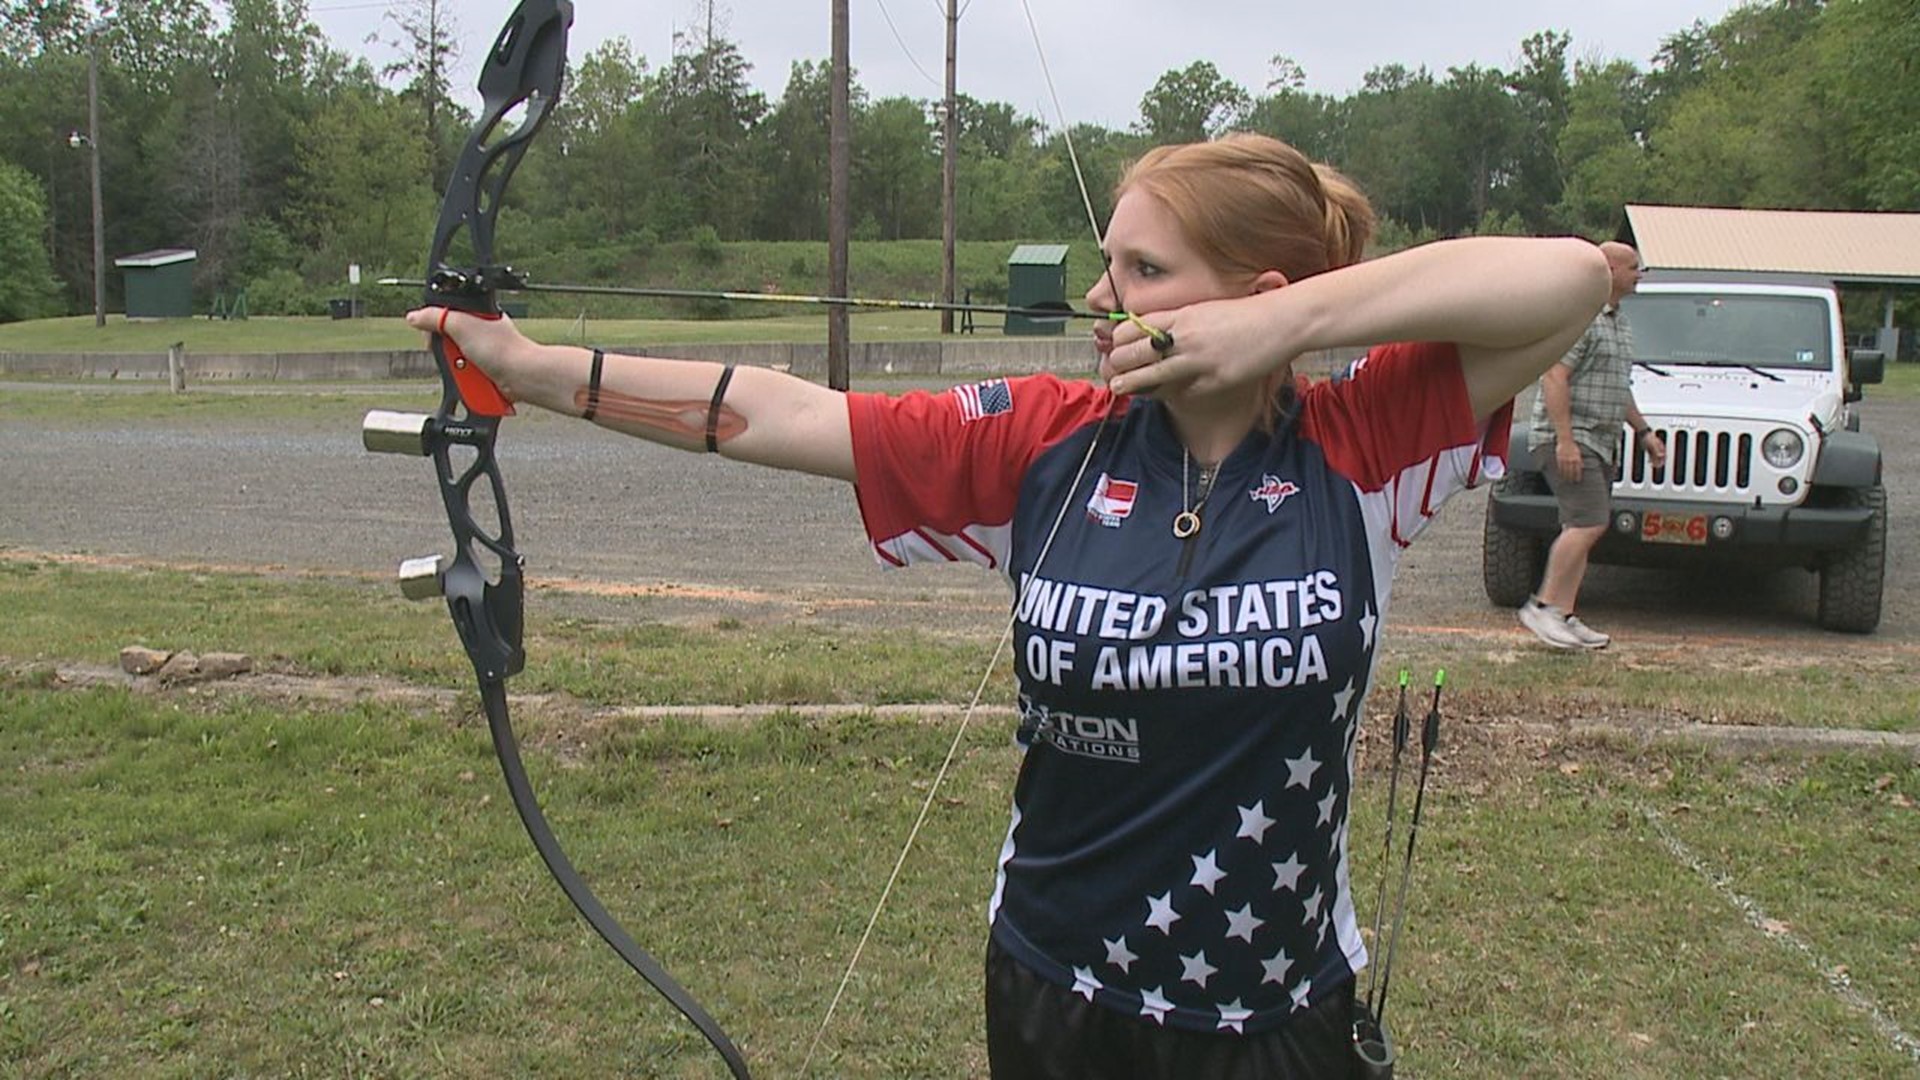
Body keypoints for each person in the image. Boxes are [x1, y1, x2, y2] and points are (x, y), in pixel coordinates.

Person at [407, 133, 1609, 1078]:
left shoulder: (1364, 442)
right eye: (1110, 260)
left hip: (1274, 1007)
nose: (1101, 292)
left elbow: (1569, 277)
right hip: (1056, 986)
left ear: (1254, 295)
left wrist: (1285, 329)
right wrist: (532, 370)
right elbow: (773, 413)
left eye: (1143, 271)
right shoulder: (1050, 439)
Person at [1516, 241, 1667, 651]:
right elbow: (1554, 377)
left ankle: (1563, 615)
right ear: (1609, 271)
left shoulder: (1619, 323)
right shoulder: (1581, 318)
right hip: (1569, 437)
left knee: (1581, 525)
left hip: (1601, 441)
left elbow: (1619, 388)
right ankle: (1541, 605)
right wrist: (1565, 441)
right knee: (1589, 522)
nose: (1640, 274)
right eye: (1634, 267)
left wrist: (1644, 432)